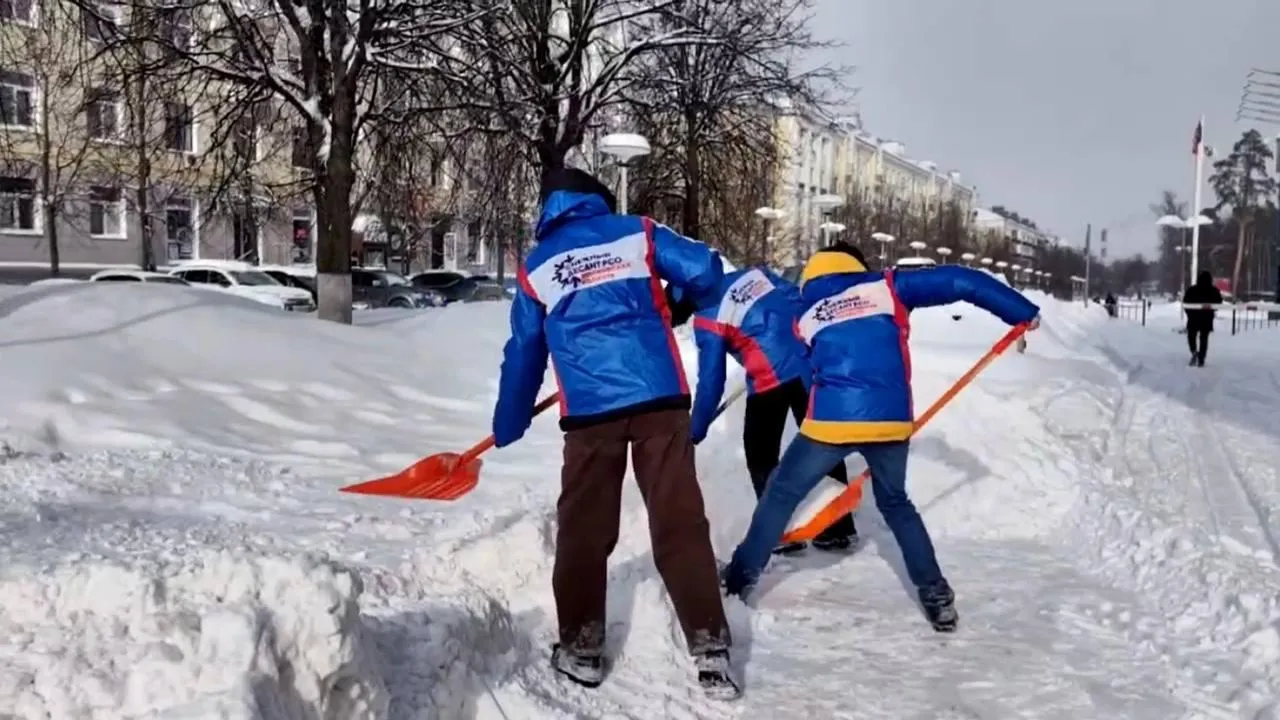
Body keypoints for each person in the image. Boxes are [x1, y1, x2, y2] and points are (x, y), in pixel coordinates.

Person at [491, 167, 739, 699]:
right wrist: (674, 304)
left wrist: (510, 419)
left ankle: (581, 651)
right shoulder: (638, 232)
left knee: (584, 529)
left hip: (591, 413)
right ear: (596, 202)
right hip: (659, 397)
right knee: (678, 521)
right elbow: (705, 268)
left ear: (550, 209)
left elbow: (525, 351)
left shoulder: (537, 266)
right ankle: (712, 647)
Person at [719, 242, 1041, 633]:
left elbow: (801, 358)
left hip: (830, 422)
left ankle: (738, 578)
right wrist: (1021, 311)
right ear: (857, 265)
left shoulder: (804, 310)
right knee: (896, 503)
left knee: (780, 495)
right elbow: (961, 280)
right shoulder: (889, 286)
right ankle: (937, 597)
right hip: (890, 422)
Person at [665, 267, 858, 556]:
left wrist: (695, 429)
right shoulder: (754, 274)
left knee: (761, 453)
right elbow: (797, 297)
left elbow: (711, 382)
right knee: (823, 439)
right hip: (808, 364)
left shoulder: (707, 319)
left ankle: (778, 530)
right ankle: (840, 529)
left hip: (770, 380)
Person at [1182, 270, 1223, 367]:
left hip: (1193, 318)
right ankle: (1201, 358)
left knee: (1191, 336)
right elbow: (1219, 303)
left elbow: (1186, 303)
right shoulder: (1214, 290)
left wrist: (1189, 314)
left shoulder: (1192, 290)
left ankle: (1194, 351)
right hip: (1207, 319)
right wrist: (1211, 311)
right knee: (1204, 339)